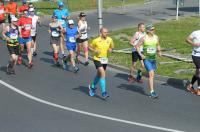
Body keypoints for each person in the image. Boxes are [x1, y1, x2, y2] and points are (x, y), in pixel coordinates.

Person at [136, 24, 162, 99]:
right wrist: (140, 54)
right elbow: (137, 46)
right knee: (151, 74)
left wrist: (159, 51)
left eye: (154, 29)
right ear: (148, 30)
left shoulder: (156, 37)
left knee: (152, 73)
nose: (153, 31)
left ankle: (139, 73)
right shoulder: (144, 38)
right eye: (151, 29)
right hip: (146, 58)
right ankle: (152, 92)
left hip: (153, 58)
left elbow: (158, 45)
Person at [88, 27, 114, 99]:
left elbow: (112, 46)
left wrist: (110, 49)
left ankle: (92, 87)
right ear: (101, 33)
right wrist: (94, 50)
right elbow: (89, 47)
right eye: (105, 32)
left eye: (107, 32)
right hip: (97, 59)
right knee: (103, 74)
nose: (106, 33)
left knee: (99, 75)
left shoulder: (109, 39)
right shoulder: (96, 40)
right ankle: (104, 93)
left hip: (104, 60)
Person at [186, 30, 200, 96]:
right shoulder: (195, 33)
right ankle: (199, 89)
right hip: (196, 55)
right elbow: (187, 39)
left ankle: (190, 86)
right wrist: (194, 44)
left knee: (197, 72)